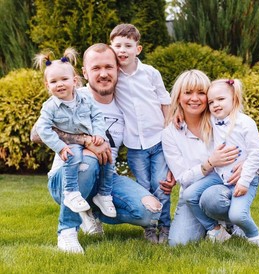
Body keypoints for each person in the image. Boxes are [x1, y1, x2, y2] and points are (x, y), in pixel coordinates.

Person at [31, 43, 165, 254]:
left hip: (106, 176)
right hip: (68, 176)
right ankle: (67, 231)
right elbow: (36, 134)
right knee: (88, 160)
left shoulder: (126, 105)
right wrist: (84, 140)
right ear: (83, 73)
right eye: (96, 68)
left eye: (109, 67)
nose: (103, 74)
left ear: (117, 70)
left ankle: (90, 211)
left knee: (150, 211)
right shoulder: (72, 95)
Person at [162, 70, 243, 246]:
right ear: (178, 96)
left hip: (222, 188)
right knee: (179, 243)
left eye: (201, 93)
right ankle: (216, 229)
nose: (195, 98)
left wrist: (244, 163)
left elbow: (252, 148)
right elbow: (183, 178)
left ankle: (235, 222)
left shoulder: (220, 121)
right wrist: (209, 163)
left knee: (212, 199)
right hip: (191, 196)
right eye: (188, 92)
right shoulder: (170, 133)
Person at [34, 47, 116, 218]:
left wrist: (99, 134)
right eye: (54, 81)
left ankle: (104, 194)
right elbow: (41, 129)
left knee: (108, 157)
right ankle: (70, 192)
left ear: (75, 81)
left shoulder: (85, 99)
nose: (60, 84)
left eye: (64, 79)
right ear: (47, 85)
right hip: (71, 145)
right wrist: (60, 147)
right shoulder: (50, 107)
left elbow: (97, 116)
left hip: (92, 138)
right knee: (74, 157)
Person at [184, 78, 259, 246]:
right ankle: (215, 230)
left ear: (234, 99)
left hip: (244, 178)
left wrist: (244, 181)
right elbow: (191, 113)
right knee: (189, 194)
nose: (215, 105)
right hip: (220, 176)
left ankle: (254, 235)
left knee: (237, 215)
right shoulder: (212, 120)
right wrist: (179, 114)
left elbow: (257, 152)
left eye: (221, 99)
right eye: (211, 102)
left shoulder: (245, 123)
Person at [110, 23, 171, 244]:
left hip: (158, 140)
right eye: (118, 45)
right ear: (111, 47)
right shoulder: (113, 76)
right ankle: (149, 226)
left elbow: (165, 101)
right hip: (134, 145)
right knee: (144, 186)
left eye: (128, 45)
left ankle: (165, 226)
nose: (122, 50)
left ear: (138, 49)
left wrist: (168, 131)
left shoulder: (150, 73)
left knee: (161, 184)